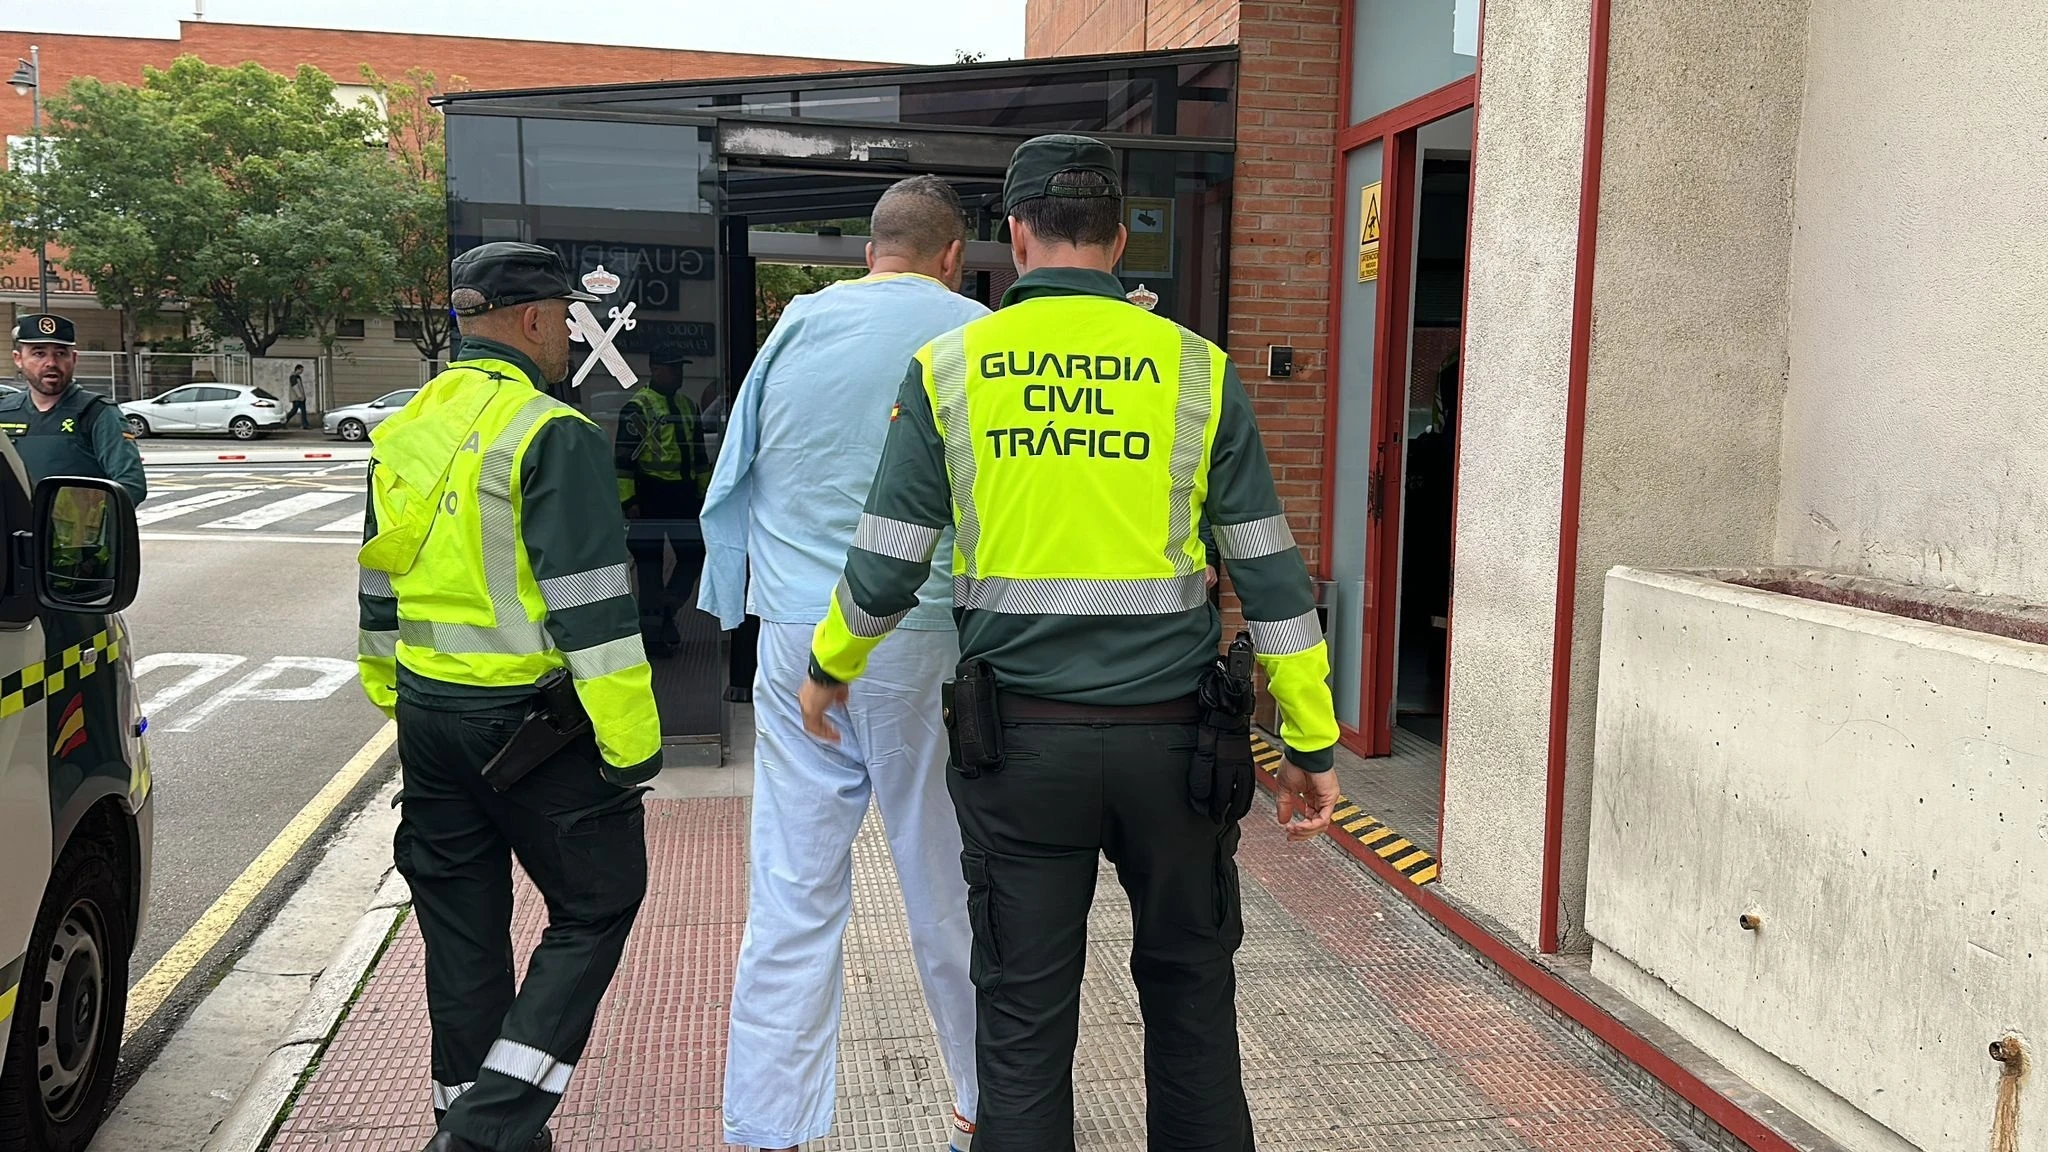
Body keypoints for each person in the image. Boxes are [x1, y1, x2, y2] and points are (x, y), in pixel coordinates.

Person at [800, 136, 1343, 1152]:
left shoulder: (949, 370)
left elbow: (884, 560)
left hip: (1020, 750)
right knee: (1190, 1001)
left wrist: (830, 667)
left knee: (1021, 1015)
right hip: (1177, 750)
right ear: (1121, 234)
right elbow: (1268, 573)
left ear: (1011, 235)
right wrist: (1309, 744)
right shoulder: (1196, 369)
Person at [700, 175, 989, 1152]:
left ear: (870, 249)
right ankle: (977, 1108)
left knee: (790, 890)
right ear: (951, 254)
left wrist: (736, 598)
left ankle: (764, 1129)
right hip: (919, 632)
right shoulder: (972, 334)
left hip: (792, 631)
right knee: (945, 884)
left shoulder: (794, 330)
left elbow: (733, 476)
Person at [355, 242, 662, 1152]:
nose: (570, 335)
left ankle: (470, 1121)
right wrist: (632, 752)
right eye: (567, 319)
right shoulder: (549, 431)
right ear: (532, 321)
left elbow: (378, 586)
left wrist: (392, 693)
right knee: (601, 901)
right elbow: (595, 616)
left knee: (462, 936)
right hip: (529, 728)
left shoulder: (408, 424)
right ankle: (488, 1131)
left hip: (427, 713)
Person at [614, 348, 713, 656]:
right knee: (649, 566)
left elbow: (699, 457)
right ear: (655, 369)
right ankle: (653, 637)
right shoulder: (638, 408)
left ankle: (667, 608)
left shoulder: (687, 405)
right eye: (672, 368)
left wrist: (705, 496)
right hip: (649, 494)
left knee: (694, 555)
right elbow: (623, 462)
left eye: (680, 368)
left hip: (684, 496)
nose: (679, 374)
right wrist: (628, 500)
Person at [3, 314, 146, 506]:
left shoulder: (98, 413)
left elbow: (130, 486)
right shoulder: (4, 412)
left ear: (74, 358)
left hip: (76, 534)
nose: (51, 363)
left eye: (61, 353)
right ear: (18, 359)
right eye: (39, 353)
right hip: (15, 534)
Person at [286, 363, 311, 429]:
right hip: (297, 398)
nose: (302, 372)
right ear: (297, 369)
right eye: (301, 370)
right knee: (297, 411)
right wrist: (300, 396)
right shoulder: (293, 377)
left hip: (299, 397)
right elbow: (295, 387)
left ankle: (305, 424)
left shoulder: (297, 377)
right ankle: (305, 424)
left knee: (298, 411)